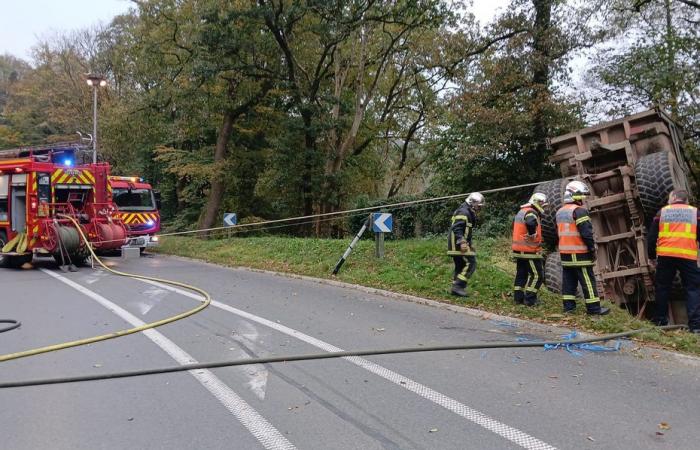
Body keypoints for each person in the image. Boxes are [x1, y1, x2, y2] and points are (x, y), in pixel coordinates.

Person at [646, 189, 700, 333]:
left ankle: (660, 321)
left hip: (666, 256)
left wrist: (651, 256)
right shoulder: (695, 212)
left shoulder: (662, 212)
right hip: (687, 256)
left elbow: (651, 238)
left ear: (674, 197)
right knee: (692, 289)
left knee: (662, 287)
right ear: (686, 200)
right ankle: (695, 327)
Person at [555, 180, 610, 315]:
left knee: (569, 282)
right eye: (582, 196)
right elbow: (586, 233)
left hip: (565, 254)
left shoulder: (560, 212)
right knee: (588, 282)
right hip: (579, 252)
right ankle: (594, 309)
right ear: (576, 196)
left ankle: (569, 308)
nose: (583, 199)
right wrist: (592, 249)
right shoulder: (579, 211)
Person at [512, 193, 548, 306]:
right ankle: (530, 300)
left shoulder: (522, 211)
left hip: (519, 249)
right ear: (538, 203)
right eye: (543, 204)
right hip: (529, 249)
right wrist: (532, 234)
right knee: (538, 276)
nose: (544, 207)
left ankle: (518, 299)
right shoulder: (531, 212)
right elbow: (530, 222)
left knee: (521, 274)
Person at [447, 192, 484, 297]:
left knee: (461, 265)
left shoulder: (466, 211)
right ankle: (458, 286)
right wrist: (462, 242)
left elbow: (465, 231)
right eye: (478, 206)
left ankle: (455, 288)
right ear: (472, 202)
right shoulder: (464, 212)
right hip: (457, 245)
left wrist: (469, 244)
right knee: (471, 263)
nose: (479, 209)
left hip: (457, 244)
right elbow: (457, 228)